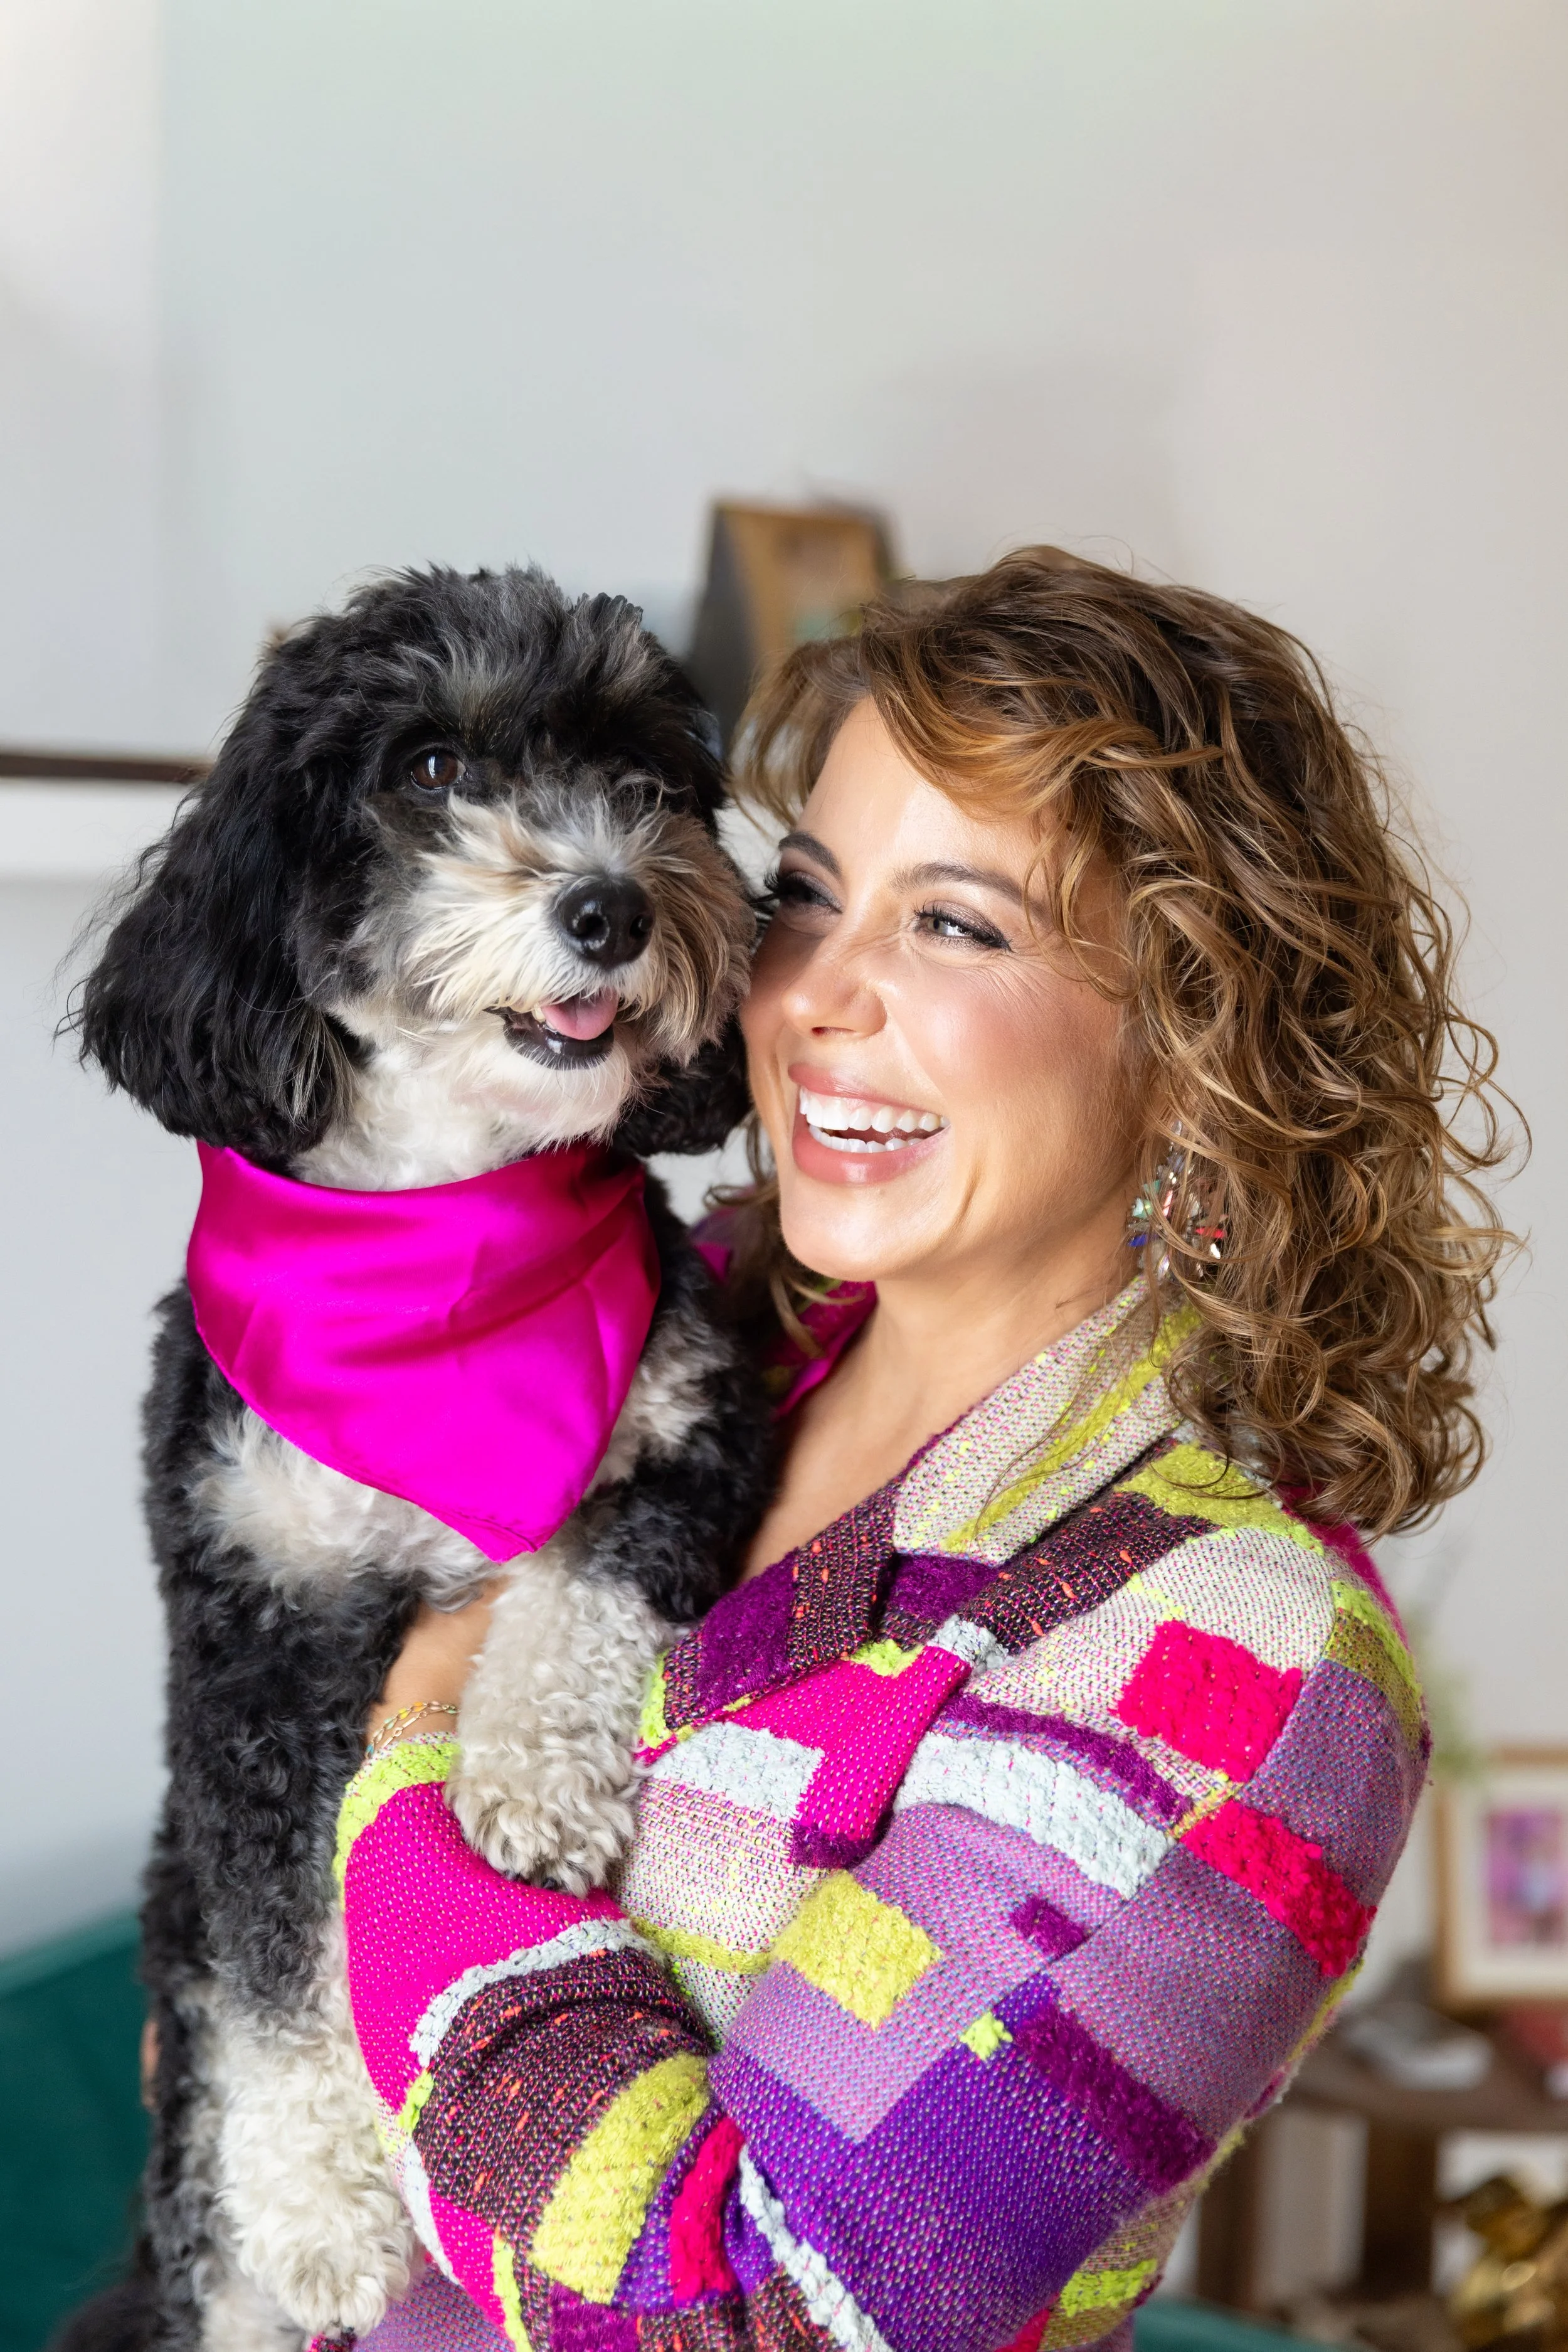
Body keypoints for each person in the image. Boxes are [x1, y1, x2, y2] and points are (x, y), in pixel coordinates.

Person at [332, 549, 1510, 2352]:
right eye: (809, 892)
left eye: (953, 922)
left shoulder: (1242, 1668)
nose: (807, 994)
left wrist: (409, 1758)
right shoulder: (676, 1325)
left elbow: (753, 2316)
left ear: (1201, 1047)